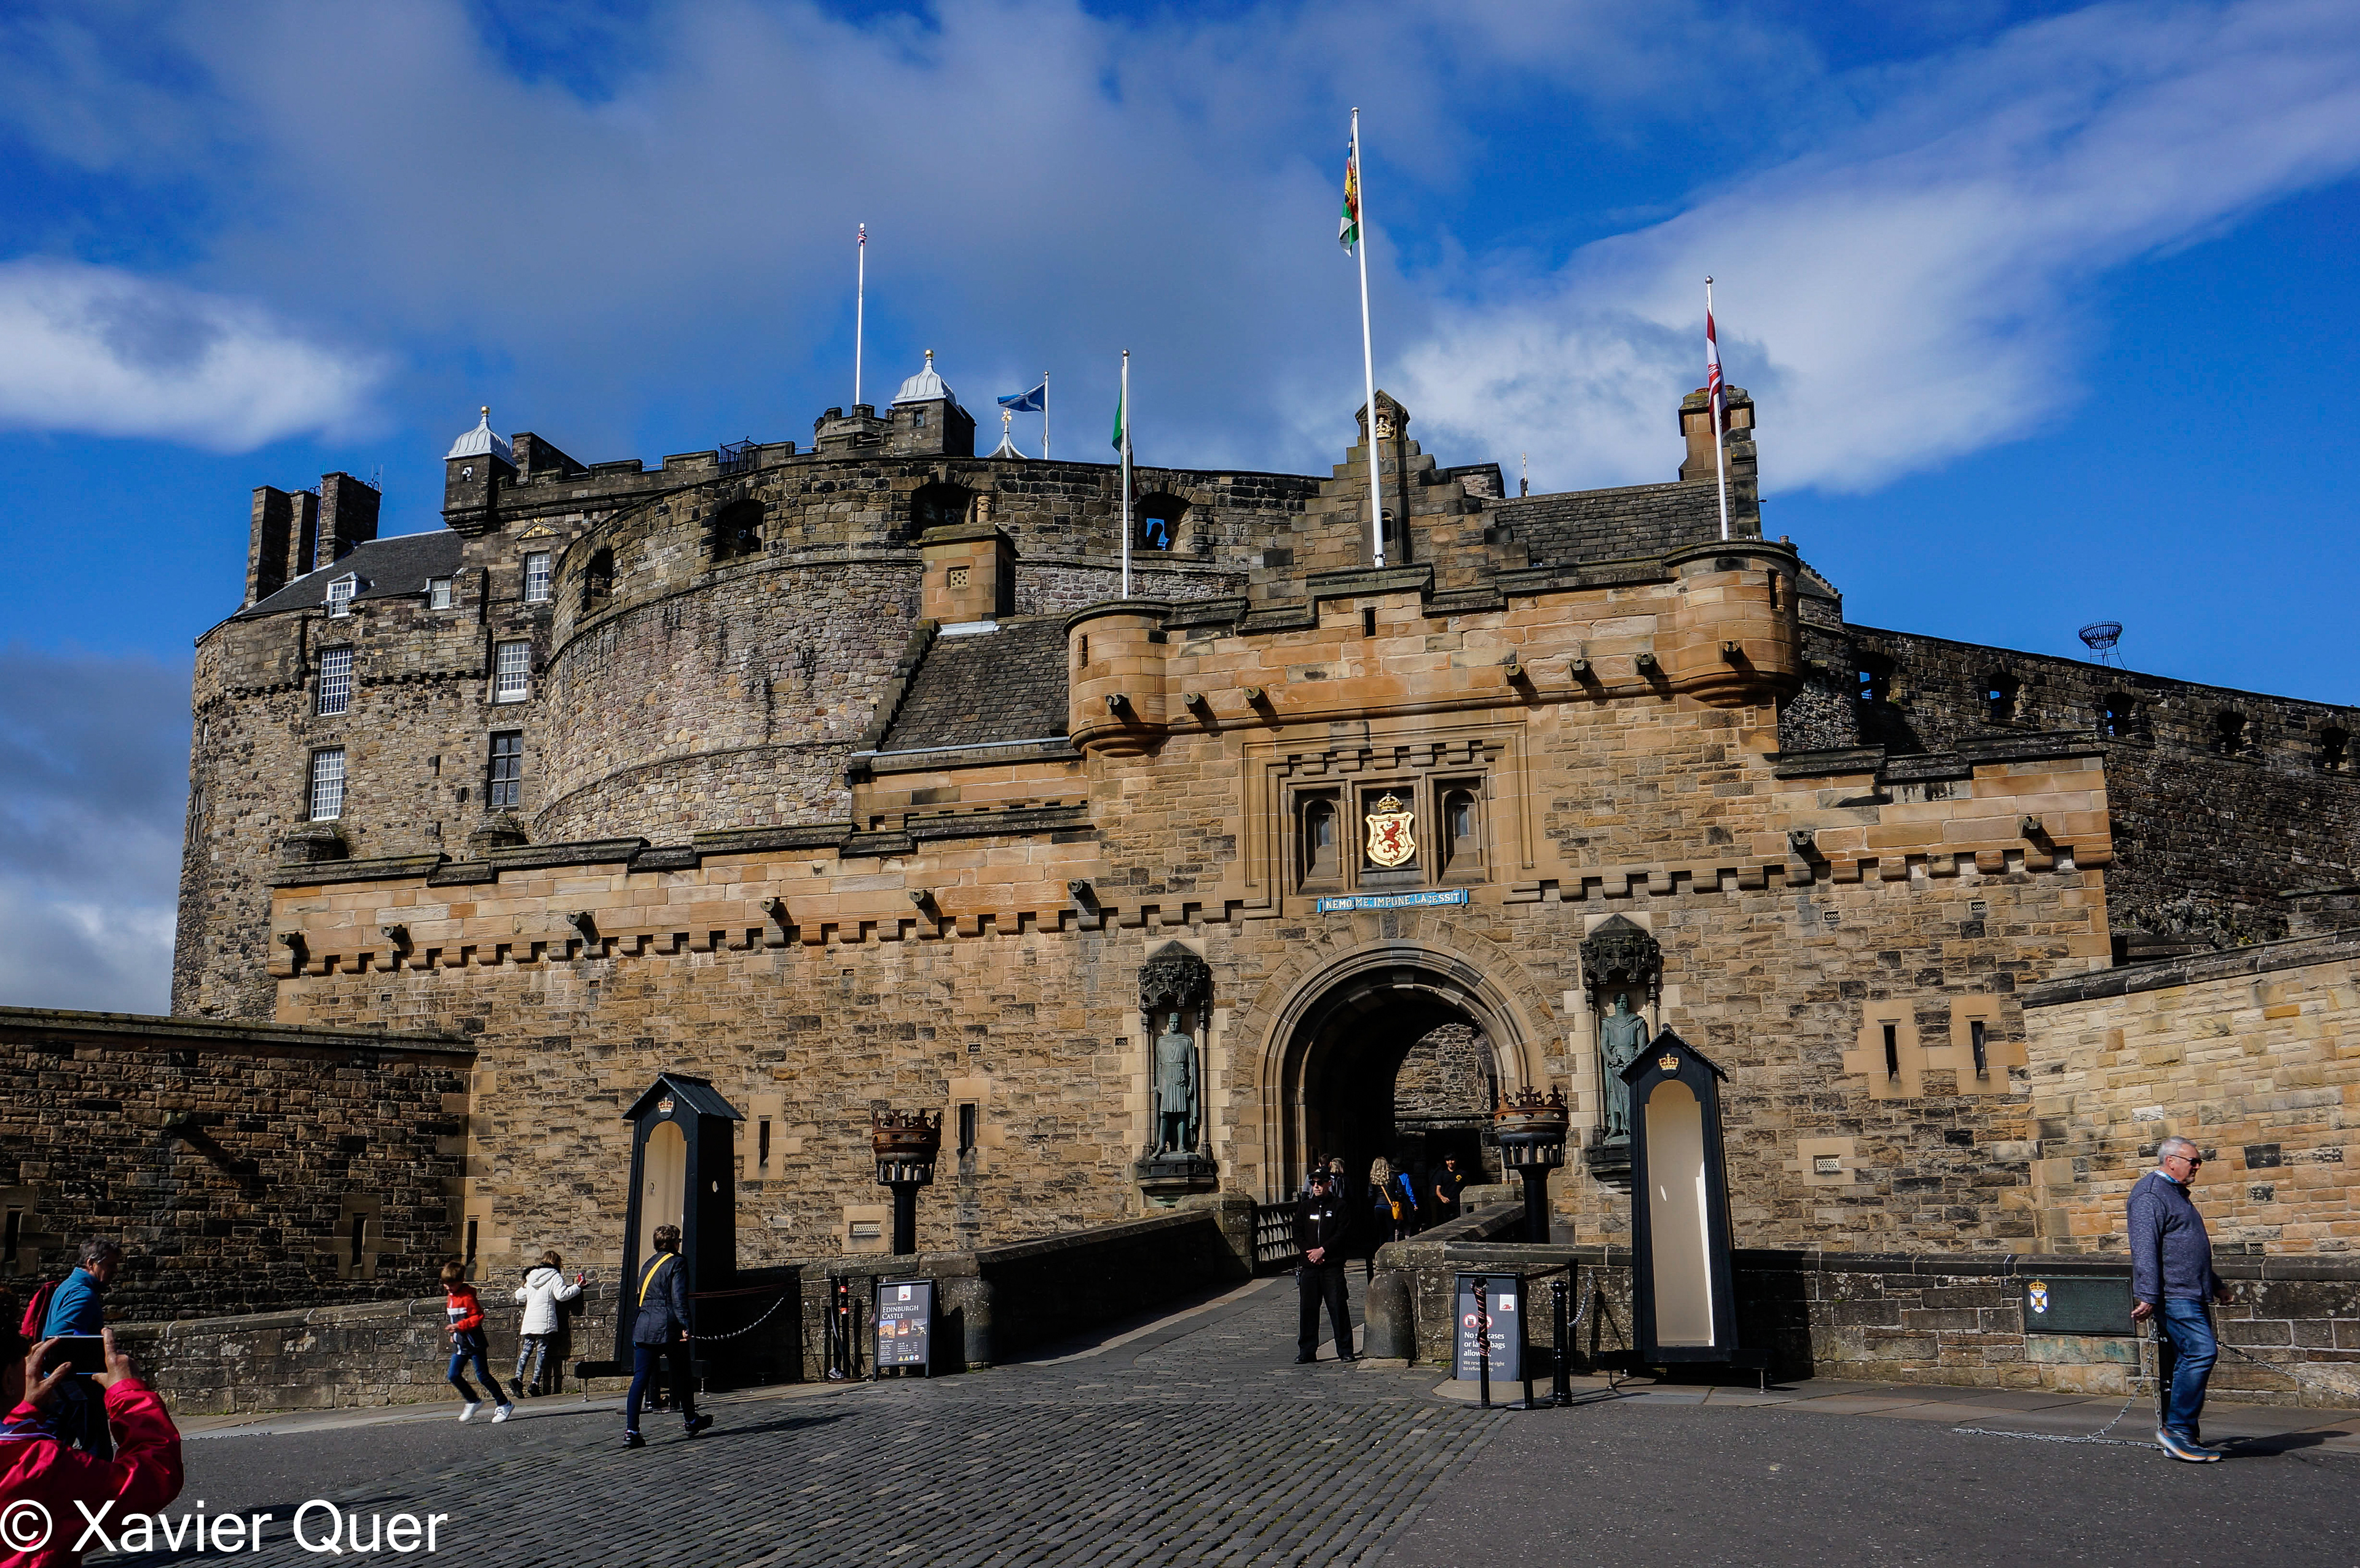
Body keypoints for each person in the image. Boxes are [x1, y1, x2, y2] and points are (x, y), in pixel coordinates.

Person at [1, 1326, 184, 1568]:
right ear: (7, 1379)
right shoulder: (40, 1465)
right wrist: (128, 1393)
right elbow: (154, 1476)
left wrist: (21, 1412)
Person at [2130, 1135, 2236, 1462]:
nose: (2198, 1167)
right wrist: (2148, 1295)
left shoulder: (2174, 1194)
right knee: (2201, 1351)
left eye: (2199, 1161)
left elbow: (2188, 1248)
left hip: (2191, 1291)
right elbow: (2145, 1248)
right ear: (2171, 1161)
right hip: (2174, 1293)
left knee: (2192, 1355)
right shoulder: (2150, 1195)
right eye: (2194, 1161)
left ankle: (2183, 1437)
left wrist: (2215, 1284)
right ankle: (2177, 1431)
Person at [625, 1225, 712, 1448]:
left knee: (640, 1379)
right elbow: (678, 1297)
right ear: (674, 1243)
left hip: (644, 1325)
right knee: (682, 1374)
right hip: (668, 1325)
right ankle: (690, 1420)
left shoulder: (647, 1264)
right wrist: (686, 1324)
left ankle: (632, 1431)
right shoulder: (677, 1262)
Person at [41, 1239, 121, 1459]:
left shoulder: (68, 1286)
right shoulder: (82, 1295)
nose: (115, 1271)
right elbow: (58, 1338)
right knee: (98, 1454)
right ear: (91, 1263)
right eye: (111, 1265)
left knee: (51, 1451)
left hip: (62, 1385)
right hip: (78, 1388)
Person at [440, 1260, 514, 1424]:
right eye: (446, 1285)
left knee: (483, 1376)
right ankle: (473, 1401)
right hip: (460, 1343)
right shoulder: (451, 1296)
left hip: (474, 1343)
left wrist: (459, 1326)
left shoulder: (467, 1297)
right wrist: (454, 1332)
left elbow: (478, 1317)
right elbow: (454, 1318)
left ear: (461, 1281)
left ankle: (504, 1404)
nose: (448, 1288)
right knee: (453, 1375)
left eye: (451, 1285)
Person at [1292, 1172, 1354, 1365]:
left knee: (1338, 1307)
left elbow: (1342, 1233)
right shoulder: (1305, 1207)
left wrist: (1323, 1250)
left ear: (1329, 1184)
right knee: (1308, 1310)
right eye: (1313, 1183)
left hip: (1331, 1266)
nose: (1316, 1186)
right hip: (1310, 1267)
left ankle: (1345, 1350)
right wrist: (1310, 1253)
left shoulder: (1339, 1206)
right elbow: (1297, 1232)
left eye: (1320, 1183)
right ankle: (1307, 1351)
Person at [513, 1252, 584, 1398]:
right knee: (542, 1351)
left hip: (530, 1319)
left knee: (526, 1350)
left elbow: (519, 1296)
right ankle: (534, 1384)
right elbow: (561, 1295)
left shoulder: (531, 1275)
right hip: (544, 1319)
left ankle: (518, 1379)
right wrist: (577, 1287)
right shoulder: (554, 1276)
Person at [1431, 1155, 1468, 1224]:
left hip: (1459, 1202)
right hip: (1446, 1203)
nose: (1450, 1162)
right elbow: (1438, 1190)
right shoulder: (1442, 1174)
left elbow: (1468, 1187)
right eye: (1448, 1160)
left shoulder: (1462, 1173)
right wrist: (1442, 1198)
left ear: (1456, 1160)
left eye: (1452, 1160)